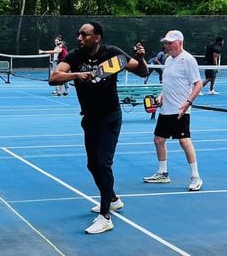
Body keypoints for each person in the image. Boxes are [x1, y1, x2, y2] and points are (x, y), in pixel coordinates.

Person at [49, 21, 148, 234]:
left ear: (97, 37)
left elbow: (141, 71)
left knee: (103, 164)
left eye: (84, 34)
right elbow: (54, 78)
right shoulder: (75, 56)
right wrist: (77, 75)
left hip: (110, 118)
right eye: (78, 34)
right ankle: (112, 198)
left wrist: (140, 58)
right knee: (92, 165)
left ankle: (105, 217)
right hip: (90, 118)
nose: (79, 38)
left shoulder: (112, 53)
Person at [143, 30, 203, 192]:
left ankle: (196, 177)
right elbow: (169, 83)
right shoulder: (168, 60)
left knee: (184, 141)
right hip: (166, 109)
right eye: (166, 43)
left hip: (180, 110)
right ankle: (163, 173)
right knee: (158, 139)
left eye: (170, 42)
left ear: (180, 42)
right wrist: (161, 95)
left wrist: (188, 103)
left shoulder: (188, 60)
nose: (166, 45)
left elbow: (198, 84)